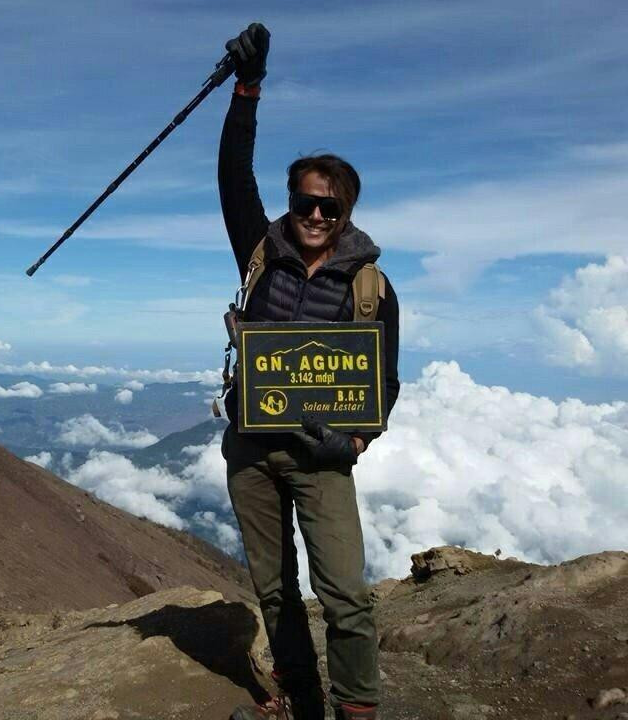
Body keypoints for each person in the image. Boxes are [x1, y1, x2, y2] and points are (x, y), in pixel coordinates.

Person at [219, 23, 400, 720]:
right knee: (275, 591)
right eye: (305, 202)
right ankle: (301, 696)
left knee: (346, 594)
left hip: (321, 457)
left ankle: (357, 708)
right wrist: (247, 89)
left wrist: (354, 440)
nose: (316, 214)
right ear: (291, 202)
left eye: (330, 206)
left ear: (346, 211)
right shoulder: (259, 250)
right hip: (250, 449)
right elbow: (234, 176)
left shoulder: (371, 287)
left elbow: (384, 381)